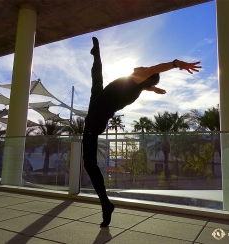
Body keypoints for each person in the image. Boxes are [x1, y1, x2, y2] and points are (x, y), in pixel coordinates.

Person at [83, 37, 201, 227]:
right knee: (97, 79)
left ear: (144, 76)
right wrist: (152, 88)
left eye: (144, 69)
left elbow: (154, 69)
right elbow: (145, 81)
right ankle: (96, 53)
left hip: (95, 119)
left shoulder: (135, 82)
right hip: (98, 107)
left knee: (89, 164)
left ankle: (106, 205)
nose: (140, 67)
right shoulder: (136, 87)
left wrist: (176, 64)